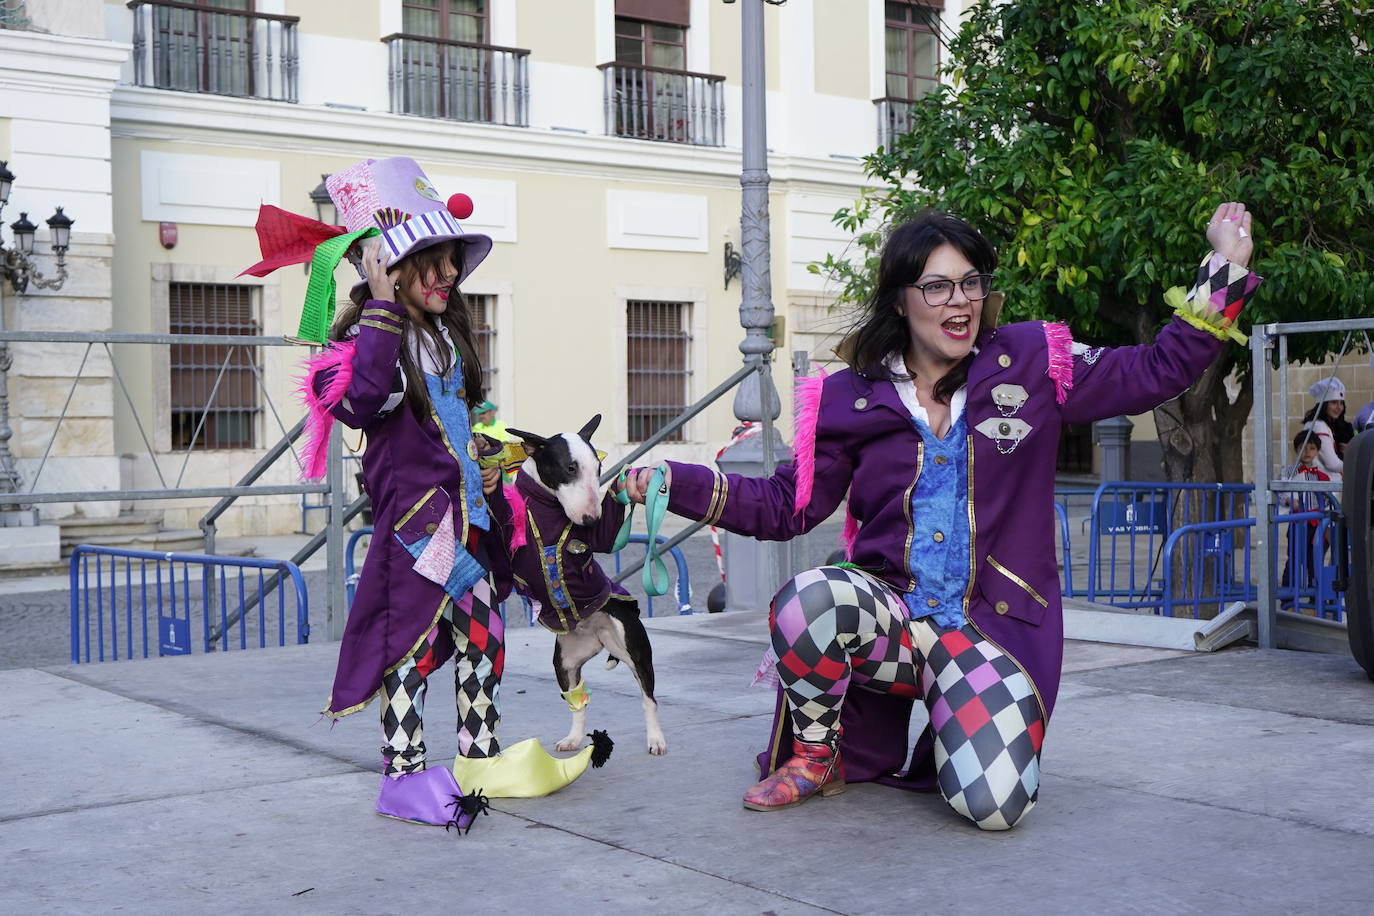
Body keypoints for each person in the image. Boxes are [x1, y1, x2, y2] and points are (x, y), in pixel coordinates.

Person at [623, 203, 1261, 830]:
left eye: (971, 282)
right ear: (901, 299)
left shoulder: (1034, 359)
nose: (960, 302)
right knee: (809, 600)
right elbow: (785, 506)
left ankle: (958, 720)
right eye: (937, 286)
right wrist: (671, 480)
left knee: (992, 807)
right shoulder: (849, 395)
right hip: (892, 625)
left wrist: (1224, 270)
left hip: (989, 632)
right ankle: (819, 755)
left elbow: (1156, 369)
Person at [289, 158, 601, 830]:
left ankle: (478, 757)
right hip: (417, 526)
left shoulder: (438, 337)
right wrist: (376, 309)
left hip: (462, 517)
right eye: (433, 259)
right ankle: (402, 776)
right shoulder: (373, 342)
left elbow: (451, 427)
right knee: (415, 642)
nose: (451, 274)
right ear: (387, 265)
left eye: (453, 258)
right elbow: (365, 404)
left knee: (481, 632)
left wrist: (485, 462)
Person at [1279, 431, 1332, 599]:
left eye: (1312, 448)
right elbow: (1281, 494)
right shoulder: (1289, 472)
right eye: (1302, 448)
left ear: (1317, 451)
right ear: (1296, 449)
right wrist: (1290, 500)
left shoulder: (1323, 476)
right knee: (1294, 560)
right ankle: (1288, 599)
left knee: (1315, 562)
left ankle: (1316, 600)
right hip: (1297, 524)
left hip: (1318, 527)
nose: (1307, 452)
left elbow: (1329, 501)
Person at [1300, 377, 1352, 478]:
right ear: (1323, 405)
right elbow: (1332, 464)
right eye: (1333, 402)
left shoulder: (1313, 424)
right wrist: (1355, 462)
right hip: (1325, 487)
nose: (1339, 407)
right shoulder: (1319, 426)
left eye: (1341, 403)